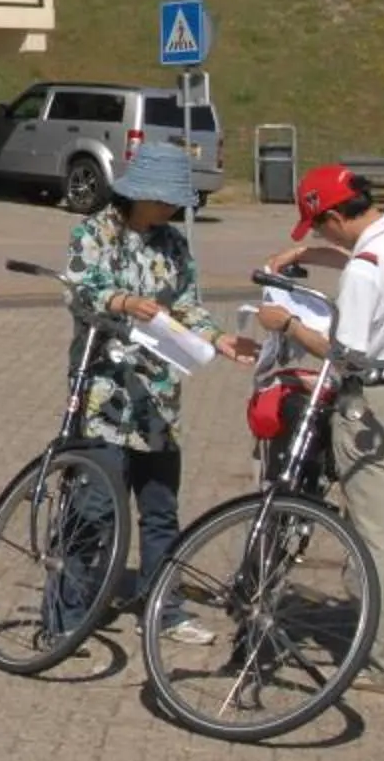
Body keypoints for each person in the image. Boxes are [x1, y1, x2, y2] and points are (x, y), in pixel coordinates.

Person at [259, 163, 384, 693]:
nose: (326, 239)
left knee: (374, 544)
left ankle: (383, 665)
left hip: (376, 409)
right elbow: (360, 253)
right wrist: (303, 256)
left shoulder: (364, 271)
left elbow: (345, 355)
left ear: (333, 217)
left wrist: (289, 324)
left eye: (321, 230)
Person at [59, 141, 250, 639]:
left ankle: (163, 608)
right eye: (162, 199)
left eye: (174, 201)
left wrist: (218, 339)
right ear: (138, 192)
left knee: (161, 508)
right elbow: (78, 290)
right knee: (95, 510)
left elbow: (187, 306)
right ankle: (67, 614)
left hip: (157, 397)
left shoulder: (173, 244)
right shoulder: (95, 232)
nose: (169, 209)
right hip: (103, 392)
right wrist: (124, 302)